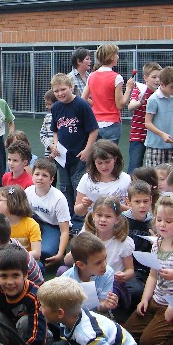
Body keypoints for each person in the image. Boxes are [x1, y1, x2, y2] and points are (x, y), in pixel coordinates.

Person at [124, 195, 173, 345]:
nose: (162, 225)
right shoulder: (157, 243)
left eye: (168, 221)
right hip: (156, 299)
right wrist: (145, 299)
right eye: (159, 220)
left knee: (149, 344)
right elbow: (153, 275)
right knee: (127, 333)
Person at [49, 72, 98, 230]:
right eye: (56, 91)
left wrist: (87, 150)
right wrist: (55, 145)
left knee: (79, 188)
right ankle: (67, 219)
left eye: (63, 89)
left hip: (80, 157)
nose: (60, 93)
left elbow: (93, 130)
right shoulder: (56, 107)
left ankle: (79, 222)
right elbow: (55, 130)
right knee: (64, 189)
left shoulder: (81, 105)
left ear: (71, 87)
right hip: (63, 157)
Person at [81, 43, 135, 145]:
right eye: (116, 54)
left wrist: (96, 104)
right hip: (112, 123)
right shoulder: (116, 77)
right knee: (110, 157)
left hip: (95, 123)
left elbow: (83, 98)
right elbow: (120, 105)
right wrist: (128, 89)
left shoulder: (91, 76)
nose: (118, 57)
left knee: (96, 156)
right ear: (111, 57)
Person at [26, 157, 71, 268]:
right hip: (34, 222)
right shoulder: (28, 191)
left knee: (45, 253)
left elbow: (65, 230)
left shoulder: (58, 198)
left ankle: (56, 249)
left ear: (51, 179)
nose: (40, 178)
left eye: (44, 175)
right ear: (32, 176)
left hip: (53, 226)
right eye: (37, 174)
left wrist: (60, 254)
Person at [73, 140, 131, 217]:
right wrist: (84, 205)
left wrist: (115, 205)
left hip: (119, 224)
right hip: (94, 224)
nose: (104, 166)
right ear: (94, 163)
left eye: (107, 162)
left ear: (115, 159)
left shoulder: (126, 179)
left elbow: (132, 210)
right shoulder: (87, 179)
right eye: (99, 163)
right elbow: (78, 211)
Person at [127, 62, 161, 173]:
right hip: (138, 135)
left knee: (156, 167)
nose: (157, 80)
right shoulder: (140, 90)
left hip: (154, 135)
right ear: (145, 78)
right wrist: (139, 102)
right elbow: (130, 106)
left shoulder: (160, 93)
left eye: (159, 77)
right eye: (154, 77)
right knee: (135, 166)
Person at [143, 66, 173, 167]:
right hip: (155, 145)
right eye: (172, 87)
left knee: (170, 174)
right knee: (155, 175)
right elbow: (148, 123)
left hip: (171, 144)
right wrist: (162, 134)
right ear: (162, 85)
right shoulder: (153, 99)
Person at [0, 185, 41, 260]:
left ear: (12, 202)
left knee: (40, 266)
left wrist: (16, 257)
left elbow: (36, 253)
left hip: (26, 261)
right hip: (5, 262)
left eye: (0, 200)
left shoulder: (31, 225)